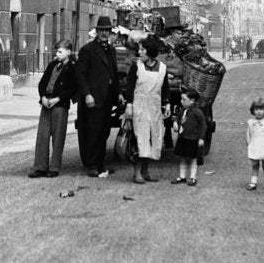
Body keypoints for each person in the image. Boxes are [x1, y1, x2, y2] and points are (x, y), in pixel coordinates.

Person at [75, 17, 122, 177]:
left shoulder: (111, 50)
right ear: (97, 31)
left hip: (107, 97)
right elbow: (80, 75)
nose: (104, 33)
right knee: (93, 132)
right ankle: (92, 165)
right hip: (93, 99)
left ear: (110, 32)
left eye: (107, 30)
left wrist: (119, 93)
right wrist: (87, 94)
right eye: (101, 30)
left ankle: (101, 165)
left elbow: (114, 73)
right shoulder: (88, 50)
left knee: (104, 131)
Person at [29, 39, 77, 178]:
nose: (57, 53)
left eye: (60, 51)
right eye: (56, 51)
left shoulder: (72, 68)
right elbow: (42, 83)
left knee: (58, 136)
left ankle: (54, 167)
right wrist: (43, 97)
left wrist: (58, 99)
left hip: (60, 105)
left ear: (68, 52)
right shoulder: (52, 65)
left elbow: (72, 88)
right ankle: (40, 166)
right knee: (42, 135)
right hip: (46, 103)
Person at [125, 36, 170, 184]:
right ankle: (137, 172)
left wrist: (167, 104)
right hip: (139, 106)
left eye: (143, 49)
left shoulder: (162, 68)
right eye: (139, 49)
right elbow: (130, 86)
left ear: (150, 51)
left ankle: (145, 171)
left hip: (154, 107)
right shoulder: (136, 66)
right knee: (139, 138)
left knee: (151, 137)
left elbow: (165, 88)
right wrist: (129, 104)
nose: (140, 52)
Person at [171, 87, 206, 186]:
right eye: (181, 99)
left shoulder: (197, 112)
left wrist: (201, 138)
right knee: (182, 157)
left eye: (184, 100)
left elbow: (203, 125)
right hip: (183, 138)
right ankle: (182, 176)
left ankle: (192, 177)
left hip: (193, 139)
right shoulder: (182, 111)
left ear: (192, 101)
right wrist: (176, 123)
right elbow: (178, 119)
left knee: (193, 158)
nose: (181, 101)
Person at [246, 97, 264, 192]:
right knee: (255, 165)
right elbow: (248, 133)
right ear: (253, 110)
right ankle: (253, 182)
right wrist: (249, 143)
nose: (259, 112)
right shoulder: (251, 122)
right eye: (256, 109)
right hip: (255, 146)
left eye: (261, 109)